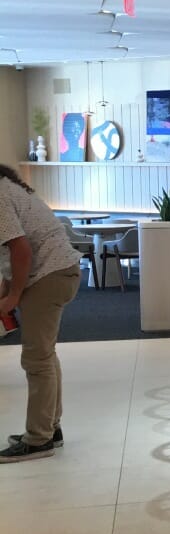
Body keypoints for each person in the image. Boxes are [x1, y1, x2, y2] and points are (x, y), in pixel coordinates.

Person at [0, 166, 80, 461]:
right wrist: (8, 290)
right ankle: (49, 428)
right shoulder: (10, 187)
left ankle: (38, 439)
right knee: (45, 354)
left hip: (47, 276)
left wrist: (15, 294)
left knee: (35, 358)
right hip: (60, 271)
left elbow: (21, 249)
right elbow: (14, 252)